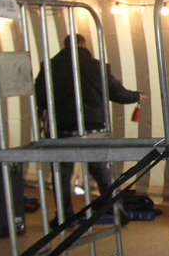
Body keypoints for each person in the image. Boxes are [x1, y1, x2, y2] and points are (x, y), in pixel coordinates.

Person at [34, 34, 142, 222]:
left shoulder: (50, 66)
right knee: (100, 168)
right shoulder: (96, 66)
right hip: (93, 127)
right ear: (83, 44)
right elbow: (117, 93)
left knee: (62, 173)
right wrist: (136, 96)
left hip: (62, 128)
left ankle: (65, 216)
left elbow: (40, 97)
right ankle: (115, 209)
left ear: (65, 46)